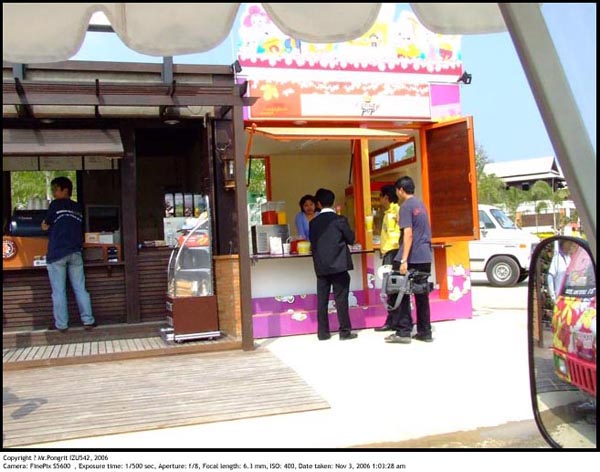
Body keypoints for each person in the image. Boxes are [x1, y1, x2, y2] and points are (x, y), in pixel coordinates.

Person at [41, 176, 96, 333]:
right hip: (75, 252)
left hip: (57, 252)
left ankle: (61, 325)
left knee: (59, 291)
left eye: (55, 190)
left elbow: (45, 225)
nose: (54, 193)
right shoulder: (77, 207)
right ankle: (88, 321)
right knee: (80, 288)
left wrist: (44, 225)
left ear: (65, 190)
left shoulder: (55, 205)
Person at [386, 176, 433, 344]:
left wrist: (404, 260)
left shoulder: (405, 206)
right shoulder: (420, 204)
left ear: (400, 190)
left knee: (399, 291)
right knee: (421, 295)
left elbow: (408, 234)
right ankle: (425, 332)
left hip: (412, 256)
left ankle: (403, 331)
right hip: (425, 256)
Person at [309, 188, 358, 341]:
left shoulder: (313, 223)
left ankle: (323, 333)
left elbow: (313, 243)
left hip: (321, 266)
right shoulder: (340, 220)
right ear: (333, 202)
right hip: (339, 265)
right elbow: (351, 239)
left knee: (322, 300)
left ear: (318, 203)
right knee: (341, 299)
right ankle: (344, 332)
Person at [374, 184, 401, 331]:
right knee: (390, 289)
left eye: (380, 196)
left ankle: (395, 321)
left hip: (393, 252)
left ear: (386, 197)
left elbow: (398, 234)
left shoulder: (396, 211)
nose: (379, 199)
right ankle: (392, 320)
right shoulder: (388, 213)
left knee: (393, 288)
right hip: (388, 252)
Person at [547, 239, 576, 303]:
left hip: (569, 297)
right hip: (559, 297)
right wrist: (553, 296)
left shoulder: (569, 258)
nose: (571, 246)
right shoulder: (557, 258)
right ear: (563, 244)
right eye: (569, 243)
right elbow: (550, 277)